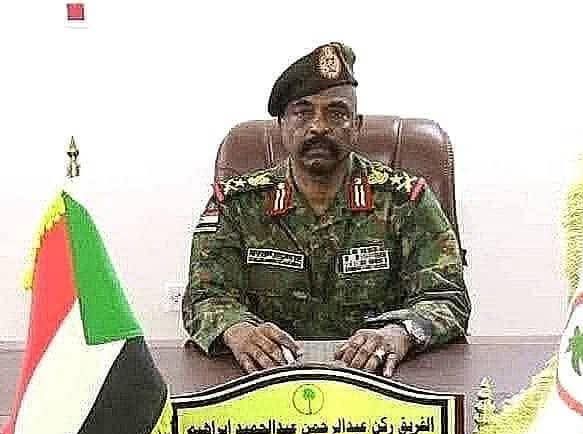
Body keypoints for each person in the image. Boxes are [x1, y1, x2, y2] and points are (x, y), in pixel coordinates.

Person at [182, 42, 470, 377]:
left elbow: (447, 297)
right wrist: (237, 330)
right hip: (267, 380)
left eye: (336, 113)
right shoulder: (236, 205)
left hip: (381, 381)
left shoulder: (406, 201)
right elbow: (204, 296)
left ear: (357, 125)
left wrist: (400, 332)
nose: (318, 127)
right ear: (281, 125)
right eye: (302, 113)